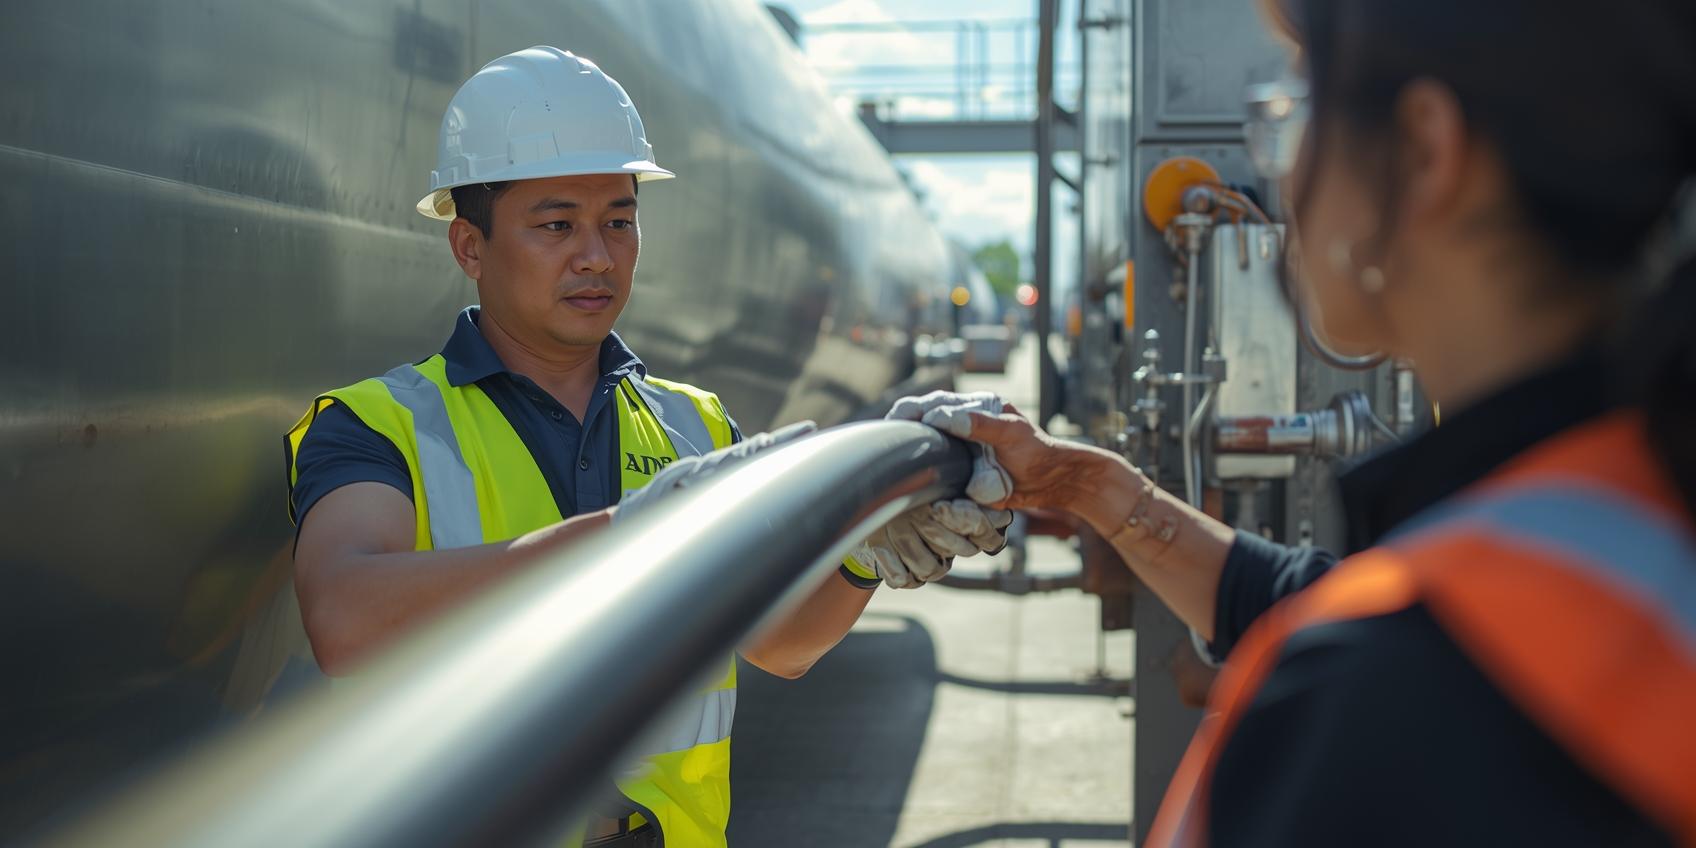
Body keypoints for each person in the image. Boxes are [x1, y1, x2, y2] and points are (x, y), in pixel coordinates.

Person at [893, 0, 1696, 843]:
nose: (1275, 170)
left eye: (1296, 111)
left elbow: (1363, 626)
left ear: (1425, 149)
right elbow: (1299, 592)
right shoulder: (1634, 509)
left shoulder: (1362, 714)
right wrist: (1085, 482)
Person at [282, 46, 1008, 848]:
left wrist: (862, 553)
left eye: (619, 222)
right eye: (557, 224)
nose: (597, 254)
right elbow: (344, 621)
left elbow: (779, 645)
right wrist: (631, 538)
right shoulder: (376, 426)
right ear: (470, 248)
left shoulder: (696, 427)